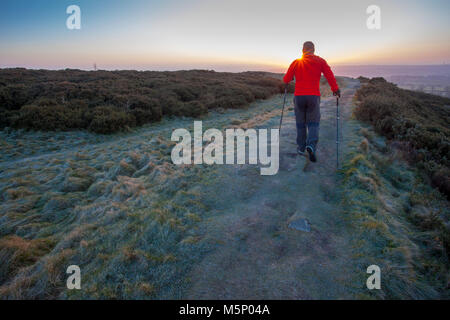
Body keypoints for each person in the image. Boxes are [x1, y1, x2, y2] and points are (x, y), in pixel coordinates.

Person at [283, 41, 340, 162]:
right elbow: (329, 75)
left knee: (300, 123)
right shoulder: (320, 61)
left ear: (303, 50)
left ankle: (301, 147)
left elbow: (286, 79)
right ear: (313, 49)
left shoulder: (296, 62)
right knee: (313, 122)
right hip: (313, 96)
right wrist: (335, 89)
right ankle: (311, 146)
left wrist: (291, 78)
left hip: (299, 96)